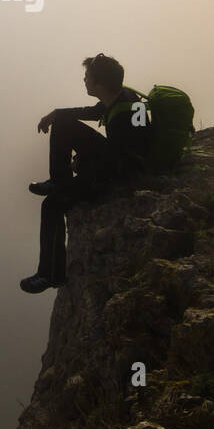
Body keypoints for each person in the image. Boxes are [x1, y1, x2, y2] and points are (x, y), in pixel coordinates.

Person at [20, 53, 150, 294]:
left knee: (52, 205)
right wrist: (56, 113)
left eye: (87, 77)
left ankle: (50, 275)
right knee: (63, 123)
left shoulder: (125, 114)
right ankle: (58, 182)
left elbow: (120, 162)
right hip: (115, 162)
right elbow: (93, 112)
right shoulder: (120, 98)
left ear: (99, 84)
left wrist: (83, 163)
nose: (84, 80)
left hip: (120, 176)